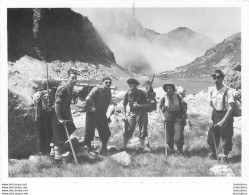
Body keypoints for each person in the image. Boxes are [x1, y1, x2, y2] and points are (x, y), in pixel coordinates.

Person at [207, 69, 235, 163]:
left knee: (226, 136)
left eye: (218, 77)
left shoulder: (228, 91)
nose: (216, 79)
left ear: (222, 78)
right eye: (214, 77)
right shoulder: (211, 90)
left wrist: (223, 120)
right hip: (215, 114)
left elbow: (231, 108)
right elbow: (211, 106)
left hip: (226, 114)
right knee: (212, 135)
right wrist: (210, 118)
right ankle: (214, 153)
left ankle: (224, 156)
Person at [50, 68, 78, 161]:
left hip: (65, 113)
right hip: (57, 113)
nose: (74, 80)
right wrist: (59, 118)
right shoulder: (63, 88)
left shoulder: (70, 88)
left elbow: (68, 104)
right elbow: (57, 104)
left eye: (75, 78)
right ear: (67, 78)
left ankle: (52, 149)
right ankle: (57, 160)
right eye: (72, 78)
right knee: (59, 134)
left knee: (71, 128)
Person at [81, 76, 112, 155]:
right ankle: (89, 149)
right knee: (89, 131)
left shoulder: (109, 91)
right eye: (106, 82)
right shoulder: (97, 89)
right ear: (102, 82)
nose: (108, 84)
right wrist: (89, 109)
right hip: (93, 113)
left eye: (110, 82)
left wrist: (105, 111)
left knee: (106, 132)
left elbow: (108, 102)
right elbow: (87, 99)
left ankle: (103, 148)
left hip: (101, 113)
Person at [121, 78, 151, 153]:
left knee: (143, 129)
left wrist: (139, 105)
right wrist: (124, 115)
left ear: (136, 85)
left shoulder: (143, 93)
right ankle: (123, 147)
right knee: (128, 129)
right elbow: (124, 105)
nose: (131, 86)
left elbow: (149, 105)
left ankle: (141, 147)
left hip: (142, 112)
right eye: (130, 85)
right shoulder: (127, 94)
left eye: (133, 85)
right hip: (132, 113)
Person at [159, 83, 187, 155]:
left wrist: (185, 117)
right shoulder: (163, 97)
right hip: (168, 116)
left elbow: (184, 107)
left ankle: (179, 150)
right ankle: (171, 150)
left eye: (170, 88)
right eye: (167, 88)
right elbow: (159, 107)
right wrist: (162, 116)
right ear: (165, 90)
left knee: (178, 136)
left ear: (173, 89)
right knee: (169, 136)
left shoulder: (178, 96)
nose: (168, 90)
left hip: (178, 116)